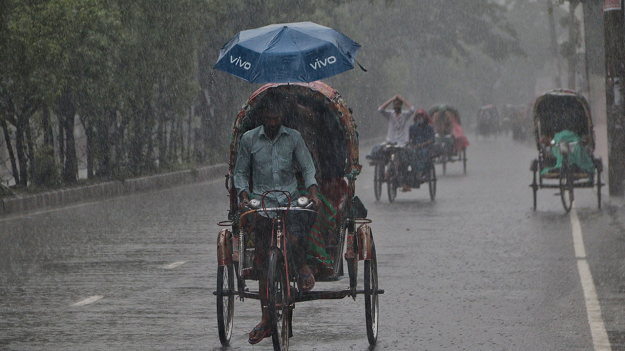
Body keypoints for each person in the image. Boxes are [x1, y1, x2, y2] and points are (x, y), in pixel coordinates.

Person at [233, 91, 322, 345]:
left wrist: (313, 193)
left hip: (289, 200)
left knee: (296, 234)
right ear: (262, 117)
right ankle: (265, 317)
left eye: (276, 117)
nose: (273, 122)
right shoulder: (249, 140)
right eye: (269, 118)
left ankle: (301, 264)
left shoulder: (293, 138)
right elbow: (240, 173)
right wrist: (243, 195)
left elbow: (307, 168)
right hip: (261, 202)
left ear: (282, 117)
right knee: (262, 261)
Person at [409, 109, 436, 181]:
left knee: (423, 154)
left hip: (426, 147)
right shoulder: (412, 128)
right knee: (412, 155)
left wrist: (424, 144)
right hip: (415, 147)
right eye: (418, 117)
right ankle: (416, 173)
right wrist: (412, 145)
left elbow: (432, 139)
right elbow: (408, 139)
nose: (419, 119)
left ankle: (422, 172)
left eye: (421, 117)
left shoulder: (429, 128)